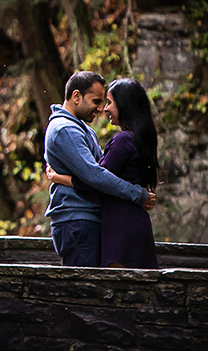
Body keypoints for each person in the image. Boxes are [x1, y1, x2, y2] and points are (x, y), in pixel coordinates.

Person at [44, 71, 154, 267]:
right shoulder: (65, 129)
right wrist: (138, 194)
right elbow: (95, 176)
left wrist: (60, 178)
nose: (101, 108)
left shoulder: (83, 129)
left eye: (105, 102)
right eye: (96, 101)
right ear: (76, 96)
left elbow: (97, 173)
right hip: (76, 219)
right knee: (85, 290)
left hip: (89, 219)